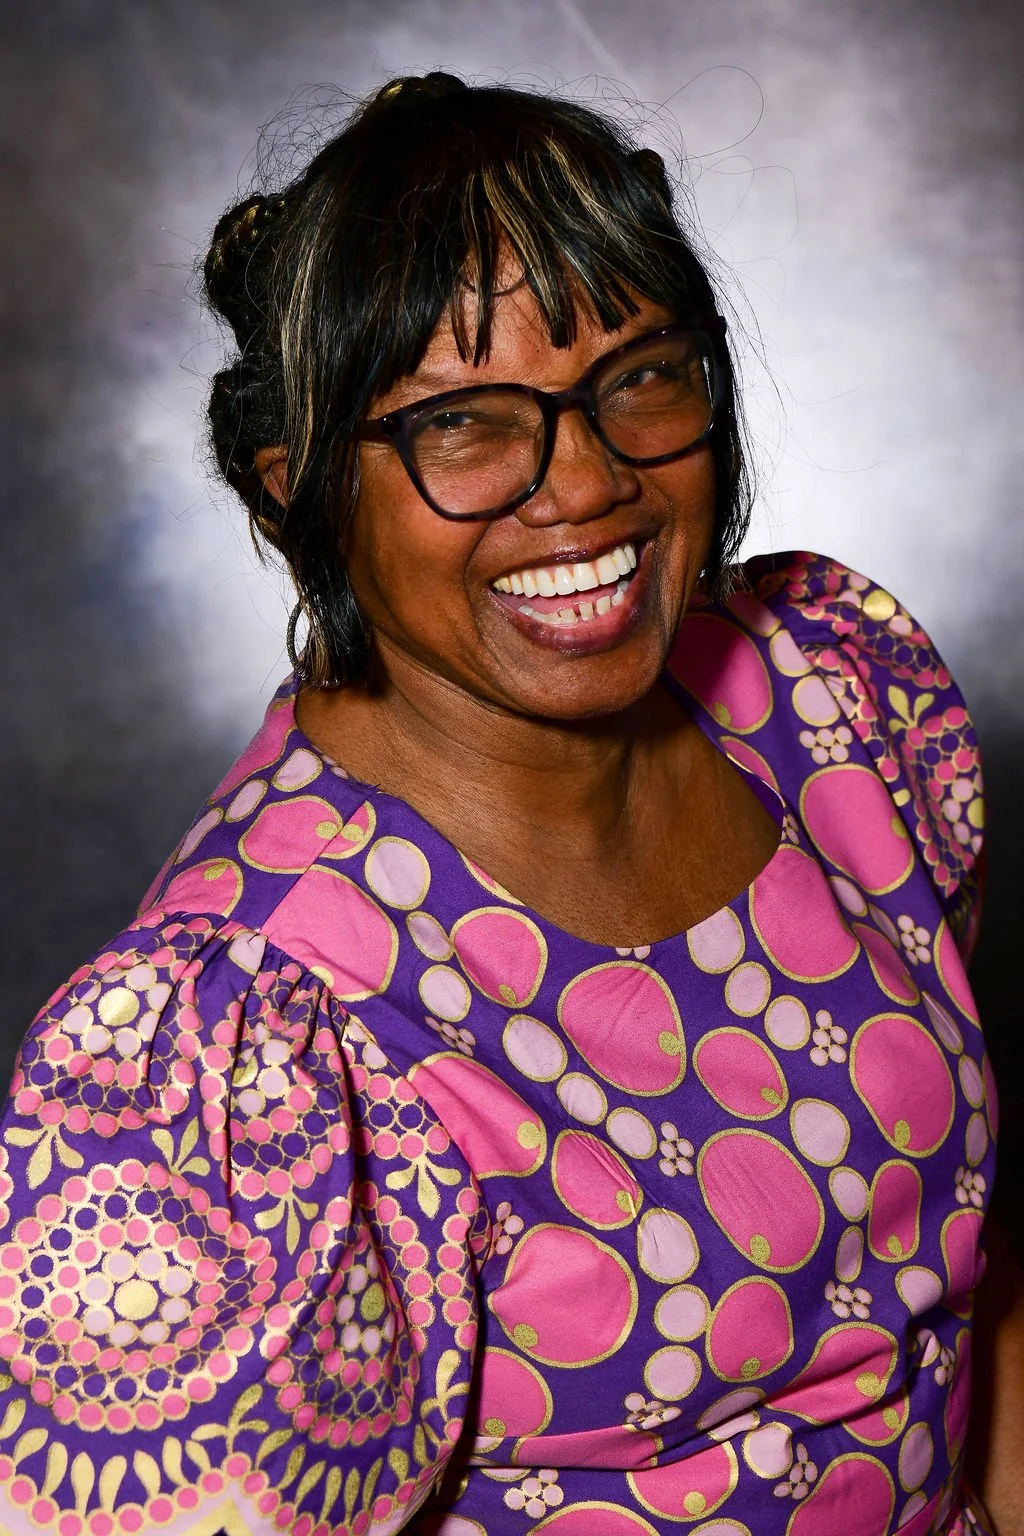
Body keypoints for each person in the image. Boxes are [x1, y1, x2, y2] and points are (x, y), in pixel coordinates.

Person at [0, 71, 1019, 1536]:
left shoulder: (823, 700)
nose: (586, 480)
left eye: (640, 378)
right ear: (298, 493)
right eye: (465, 424)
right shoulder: (257, 1029)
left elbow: (958, 1271)